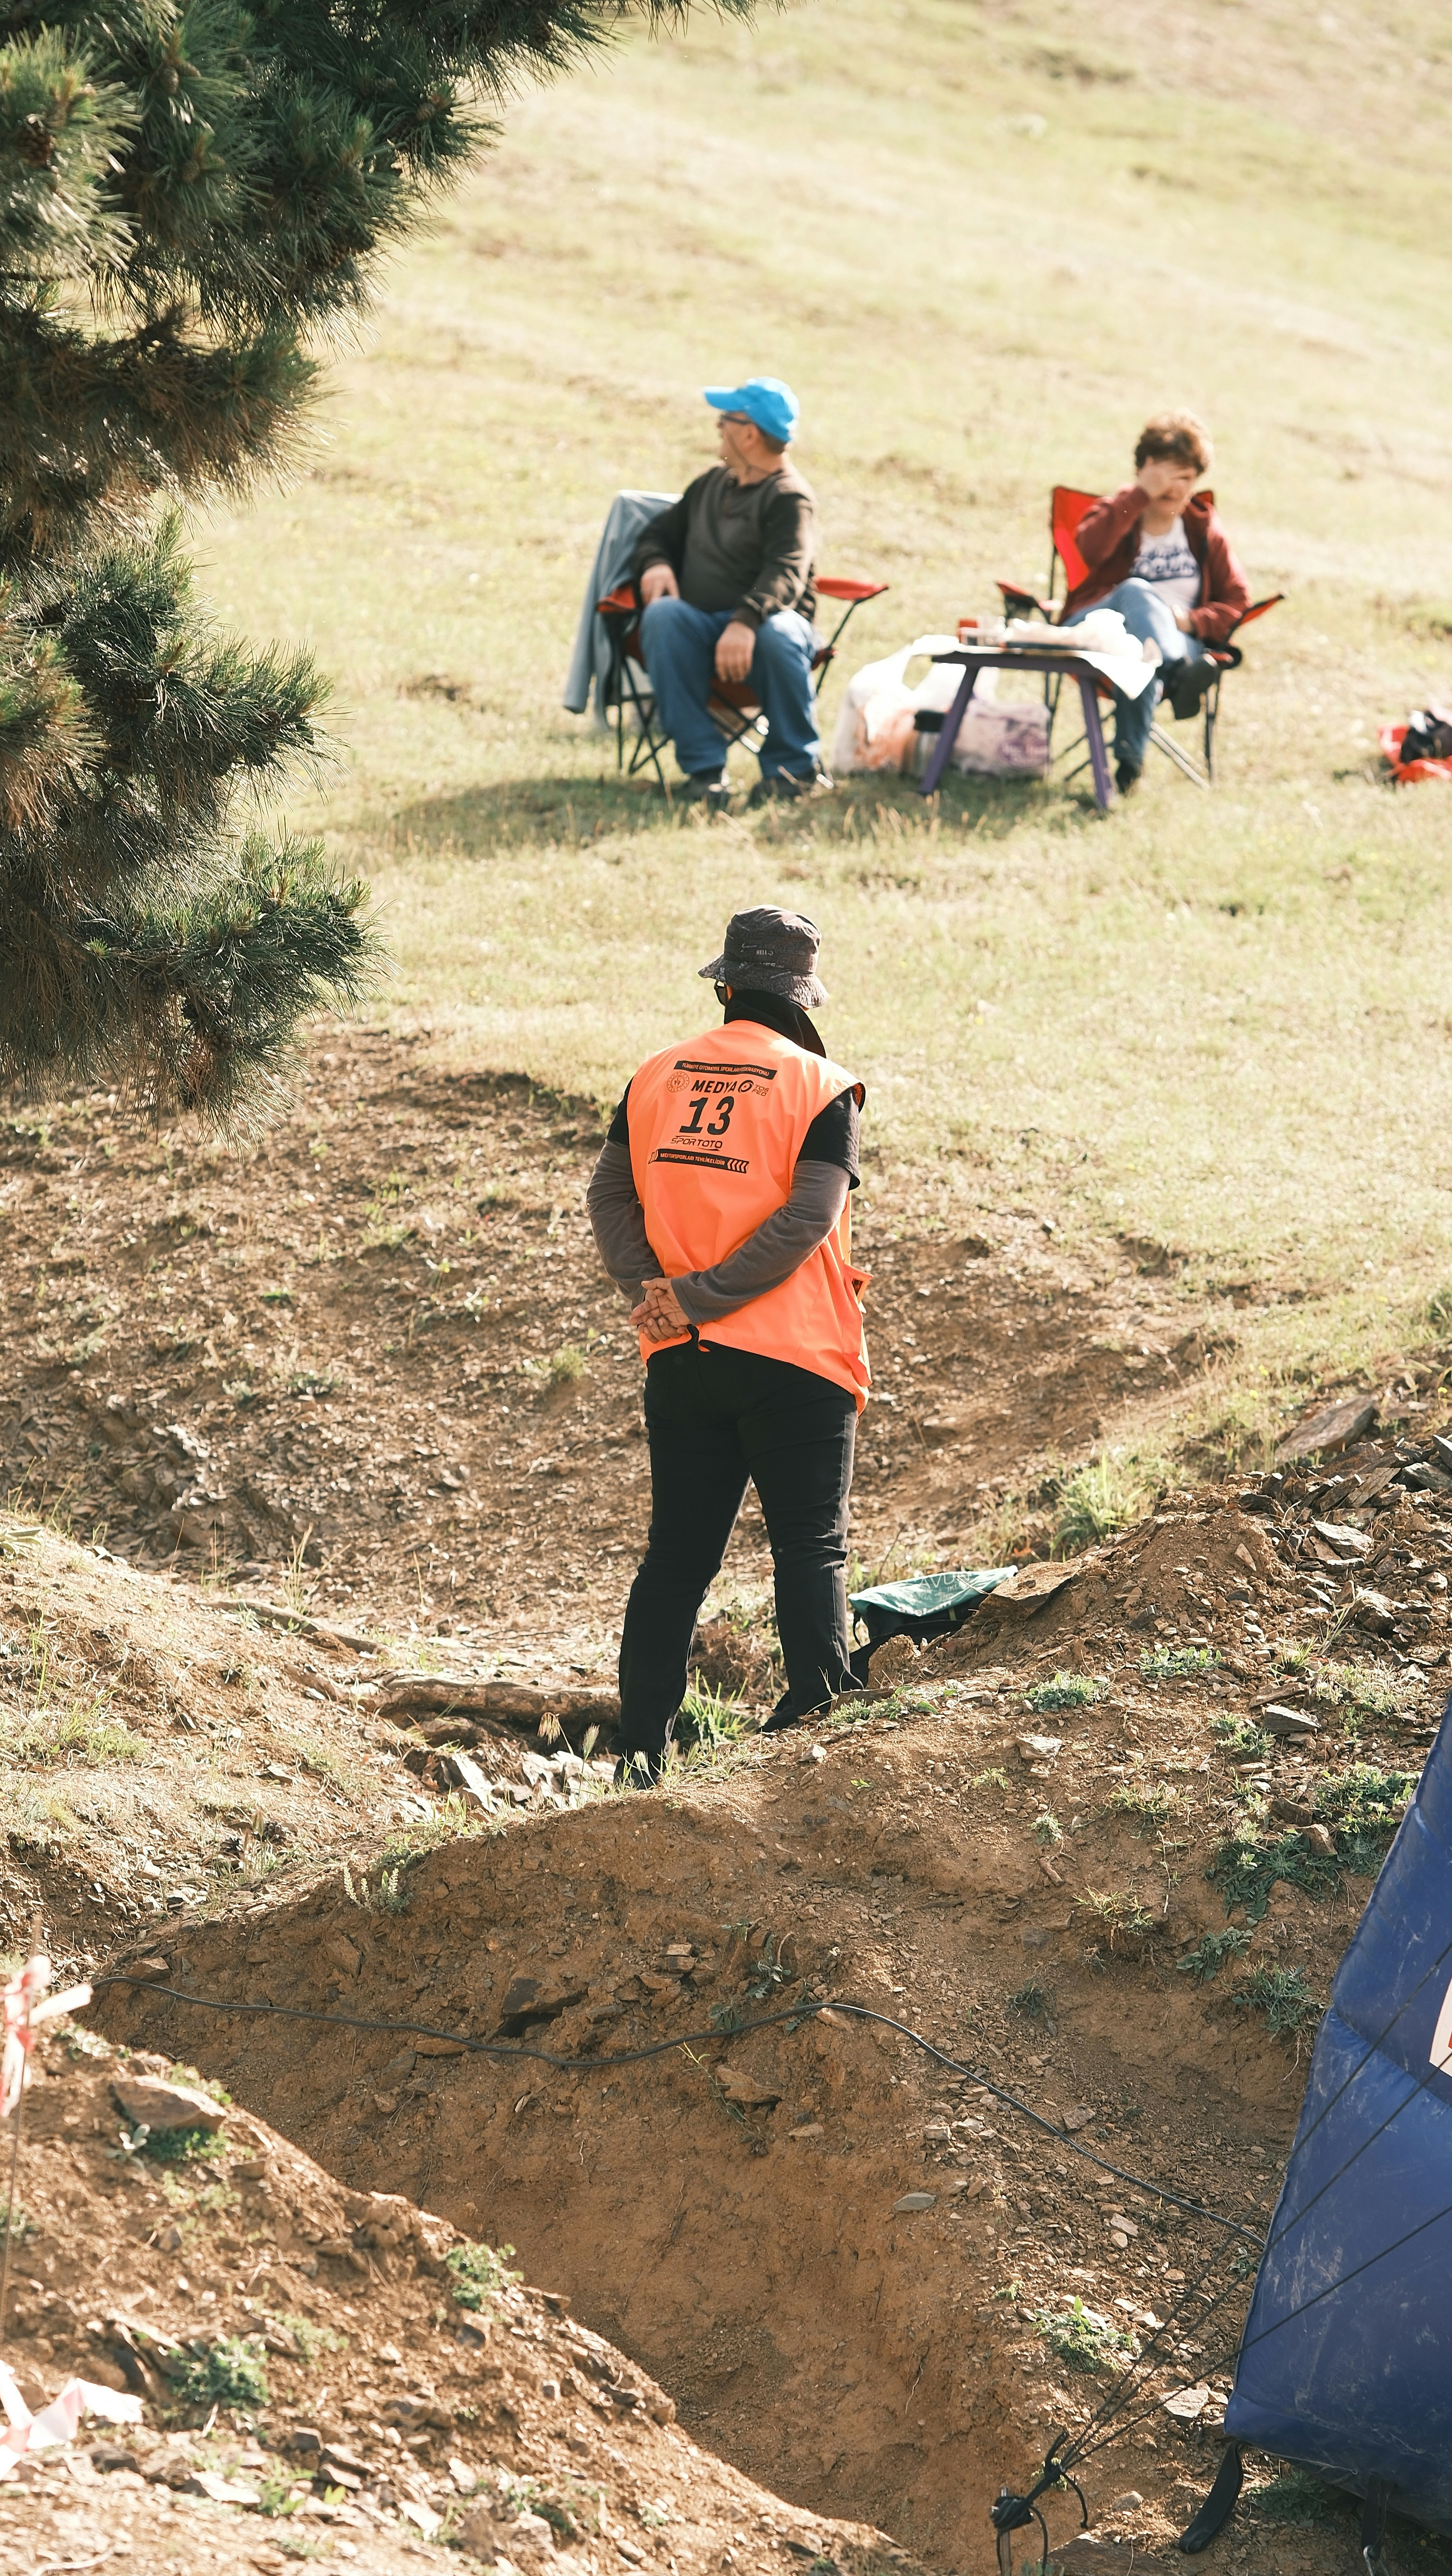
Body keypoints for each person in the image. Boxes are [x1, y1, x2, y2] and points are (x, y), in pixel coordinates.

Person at [587, 907, 869, 1783]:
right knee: (809, 1545)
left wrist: (660, 1302)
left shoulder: (655, 1076)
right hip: (795, 1358)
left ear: (724, 985)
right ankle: (816, 1715)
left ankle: (641, 1751)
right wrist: (708, 1300)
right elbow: (807, 1220)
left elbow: (609, 1200)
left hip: (680, 1361)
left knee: (675, 1558)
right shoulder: (821, 1086)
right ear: (803, 993)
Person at [630, 379, 830, 814]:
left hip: (771, 633)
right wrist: (657, 563)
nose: (717, 429)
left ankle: (791, 771)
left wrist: (745, 621)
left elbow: (787, 573)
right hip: (701, 628)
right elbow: (656, 536)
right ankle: (704, 771)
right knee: (663, 618)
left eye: (725, 421)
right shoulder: (710, 485)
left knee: (778, 632)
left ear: (749, 433)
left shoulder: (789, 498)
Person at [1060, 411, 1252, 794]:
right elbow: (1089, 548)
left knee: (1143, 658)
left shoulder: (1200, 527)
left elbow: (1237, 600)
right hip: (1099, 625)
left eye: (1186, 478)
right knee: (1135, 590)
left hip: (1171, 638)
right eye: (1165, 475)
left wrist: (1191, 621)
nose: (1175, 488)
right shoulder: (1119, 510)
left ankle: (1128, 768)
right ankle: (1178, 675)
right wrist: (1139, 496)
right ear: (1145, 469)